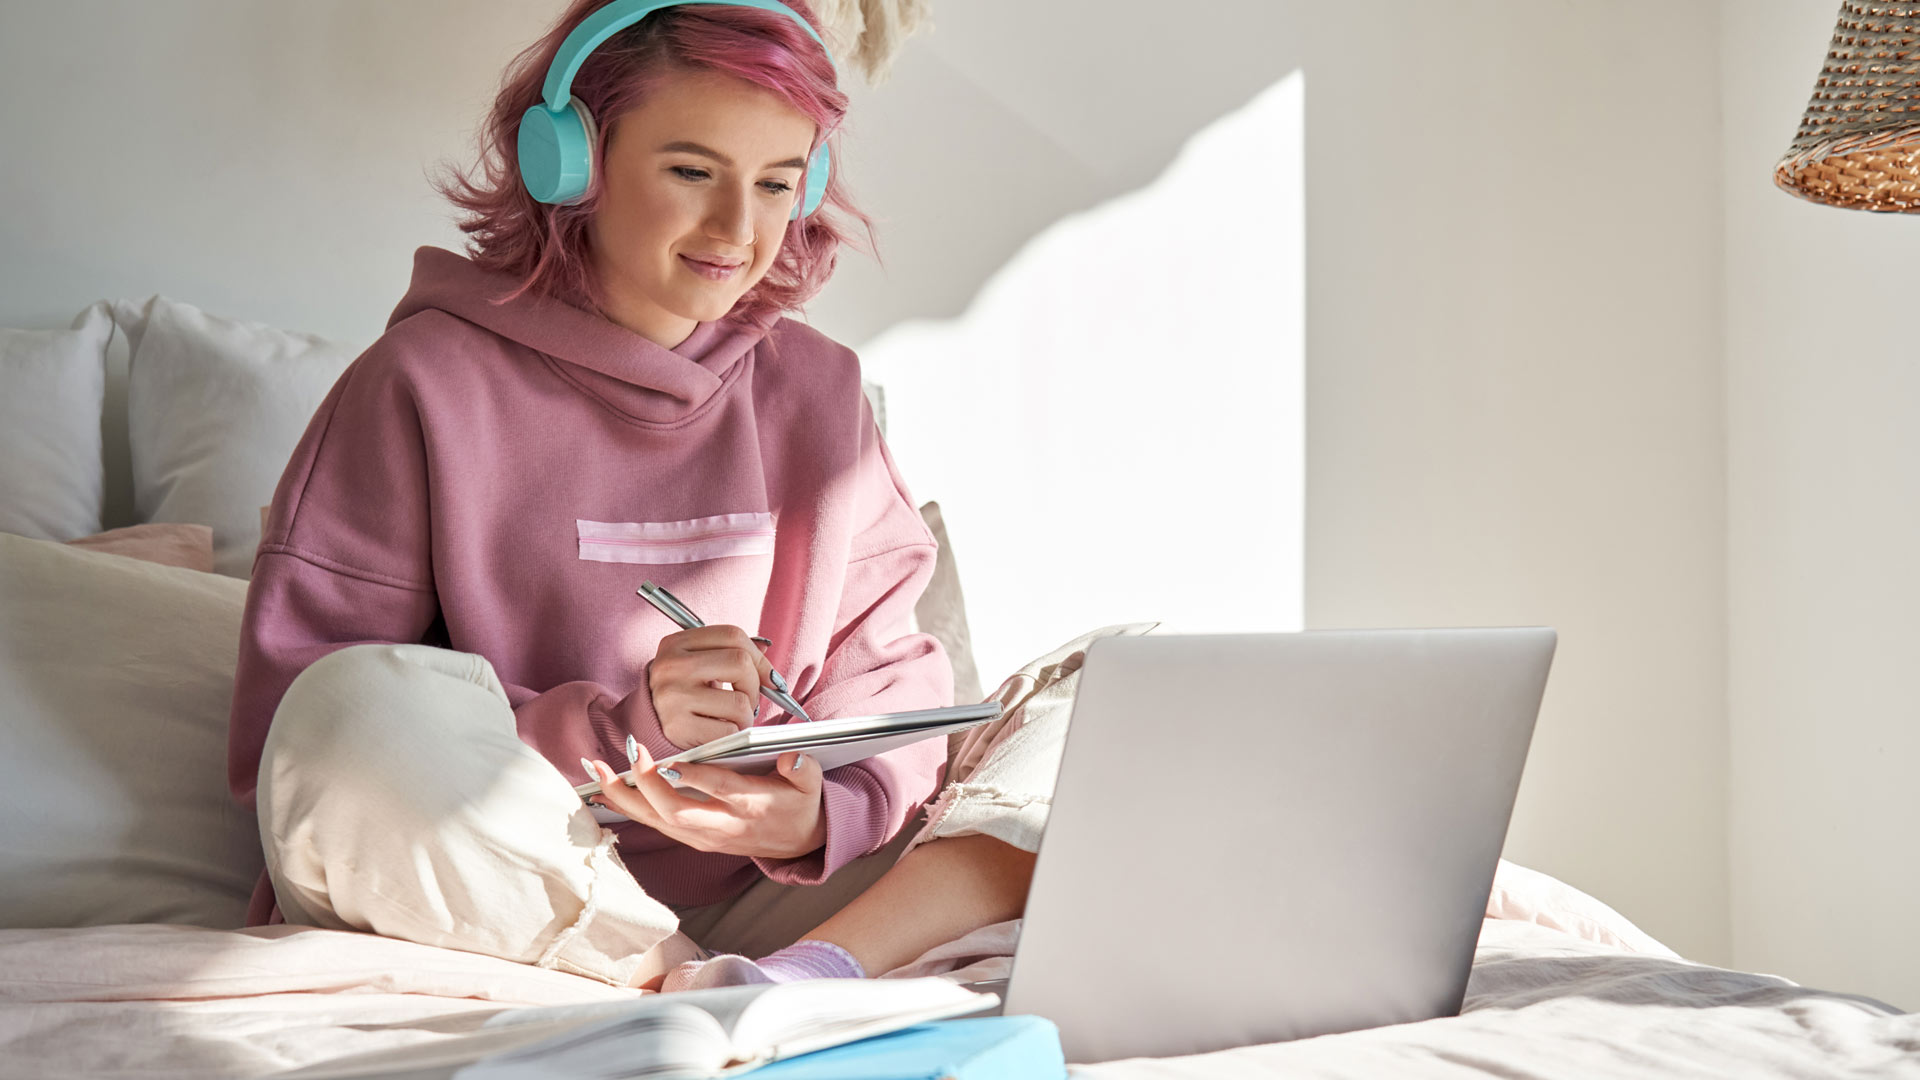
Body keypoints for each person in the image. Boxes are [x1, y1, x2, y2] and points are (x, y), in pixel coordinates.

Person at [225, 0, 1039, 992]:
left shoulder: (819, 391)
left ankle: (798, 981)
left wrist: (823, 812)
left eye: (777, 182)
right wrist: (623, 732)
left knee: (1085, 704)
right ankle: (686, 984)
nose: (739, 230)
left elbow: (896, 684)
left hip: (775, 894)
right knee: (347, 716)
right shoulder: (419, 384)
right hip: (508, 886)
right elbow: (301, 737)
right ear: (571, 163)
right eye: (692, 171)